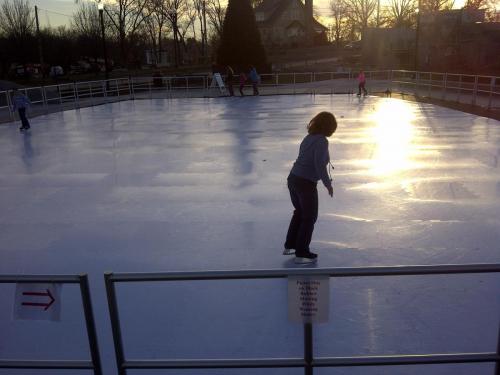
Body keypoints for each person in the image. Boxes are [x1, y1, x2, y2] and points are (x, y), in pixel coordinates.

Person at [284, 112, 337, 264]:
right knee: (309, 217)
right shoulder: (321, 141)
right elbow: (319, 165)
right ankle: (302, 253)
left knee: (300, 213)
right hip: (305, 183)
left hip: (293, 178)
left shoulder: (309, 137)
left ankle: (291, 246)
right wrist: (328, 184)